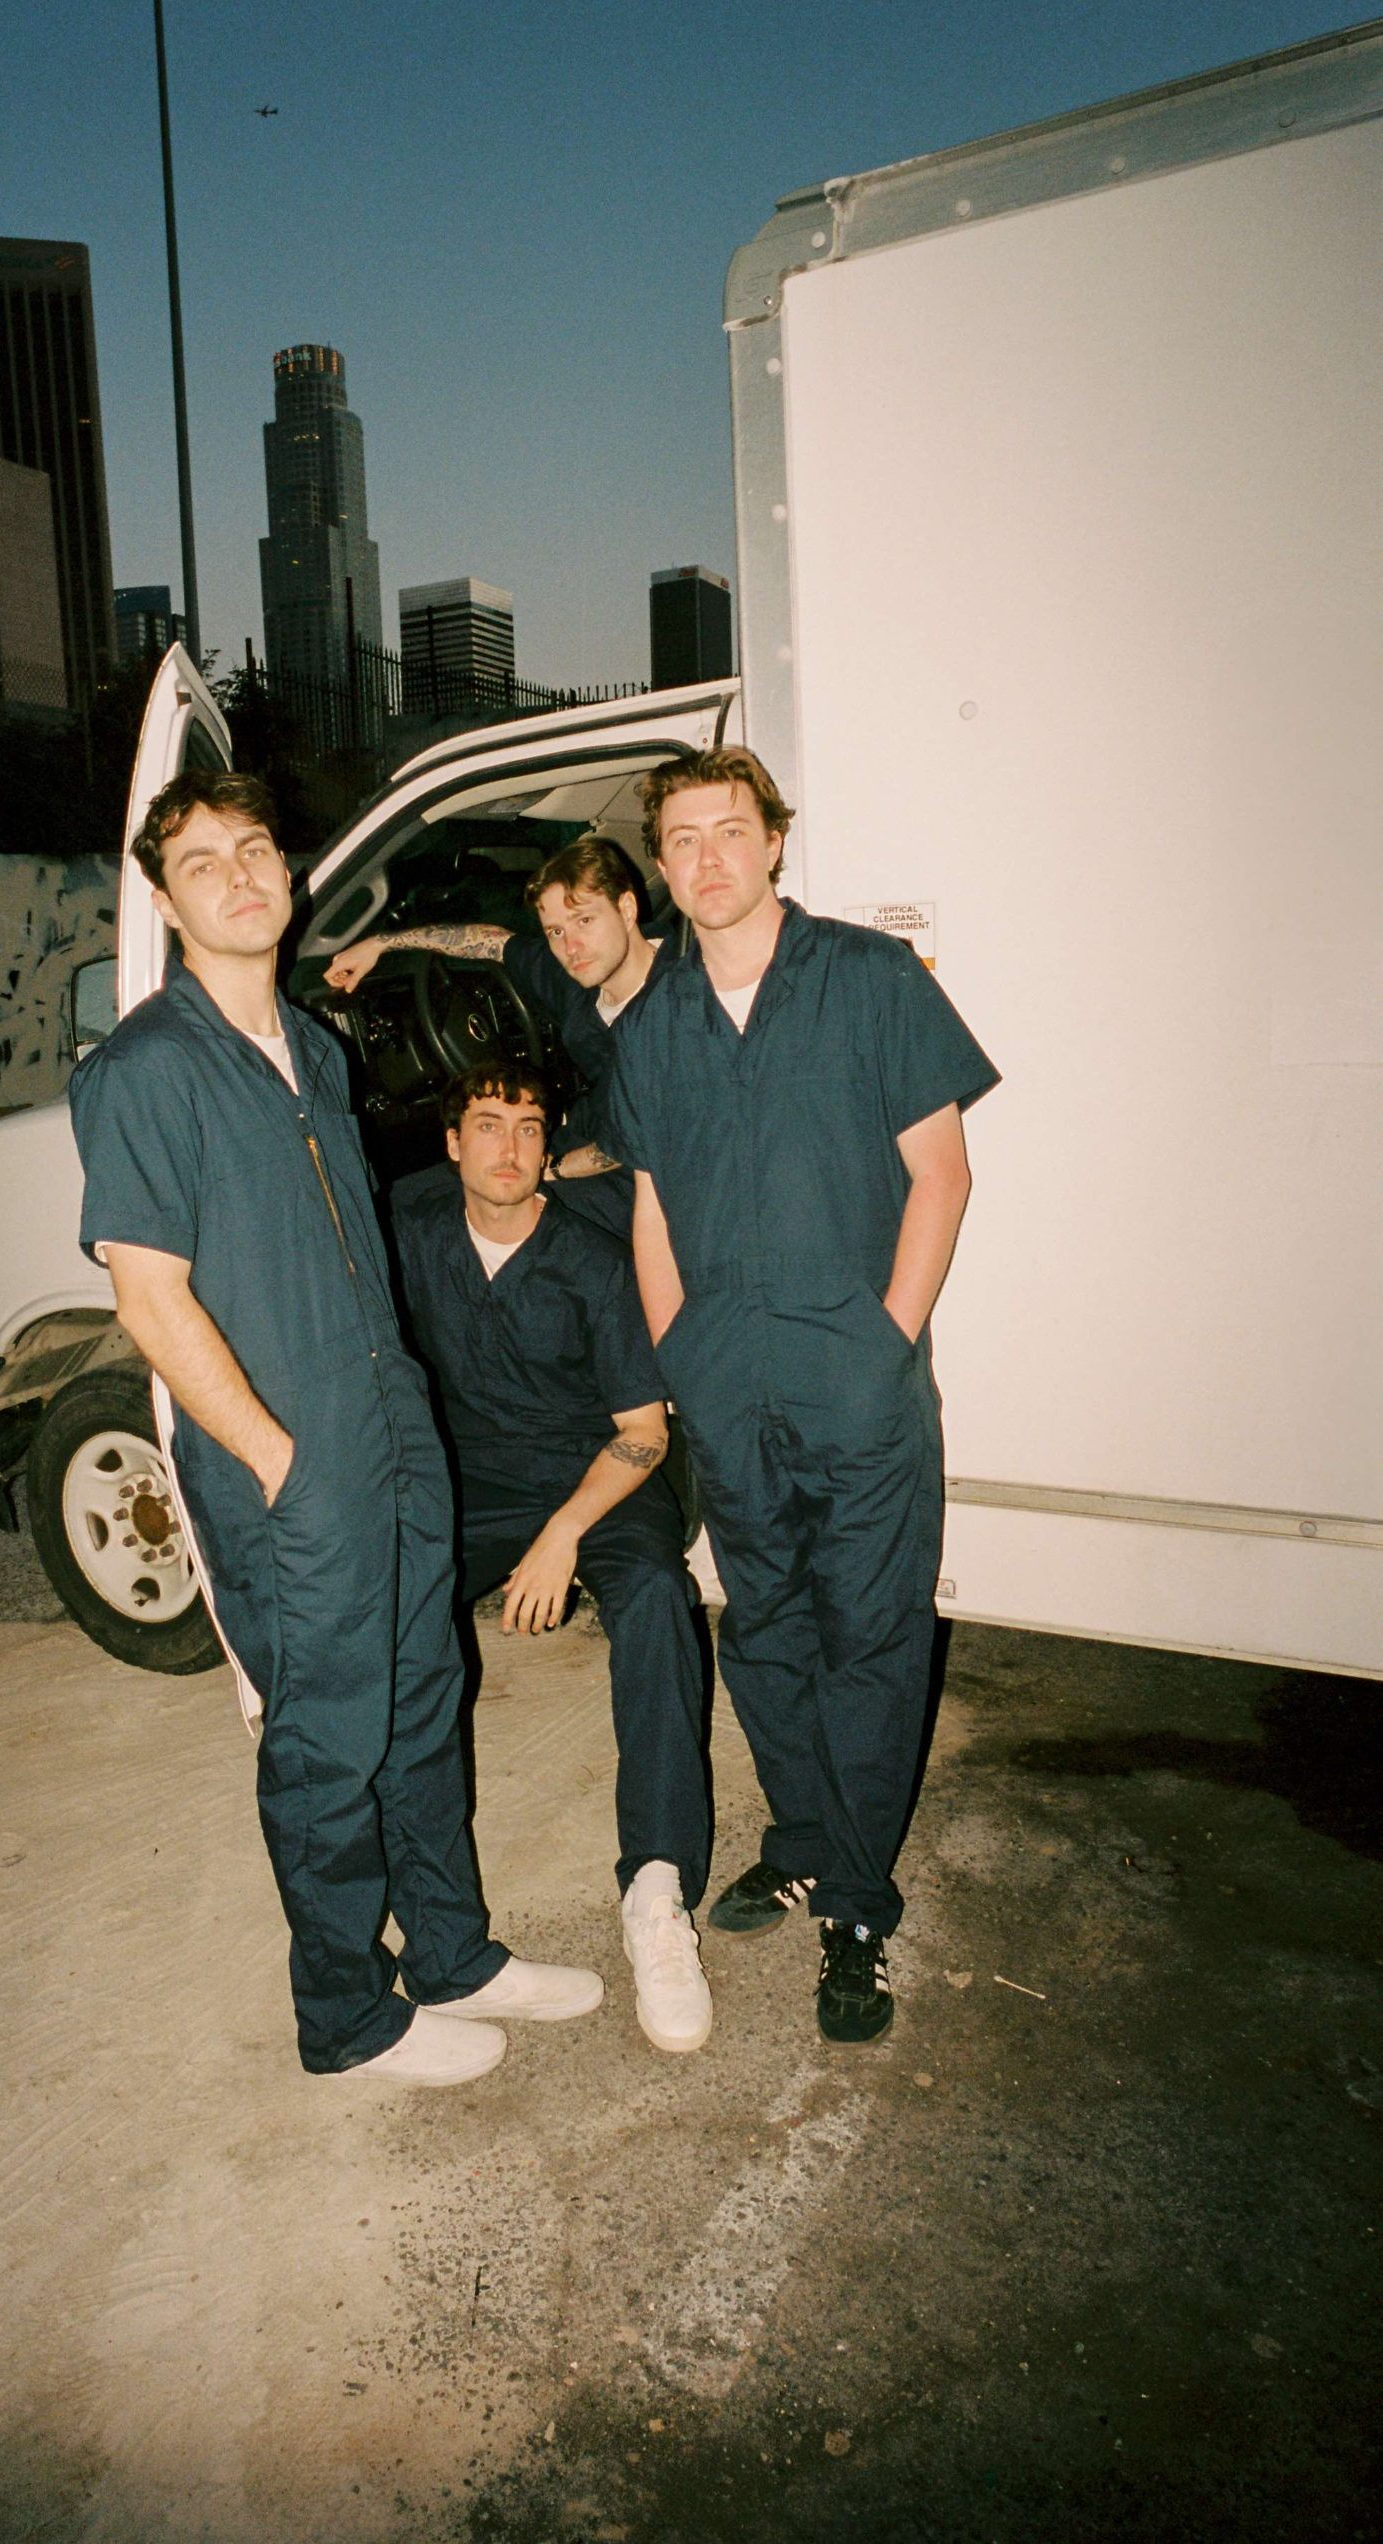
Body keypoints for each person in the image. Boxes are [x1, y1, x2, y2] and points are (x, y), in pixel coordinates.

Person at [67, 764, 603, 2089]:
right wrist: (273, 1459)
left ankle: (453, 1952)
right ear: (166, 902)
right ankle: (347, 2012)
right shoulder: (145, 1069)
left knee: (425, 1697)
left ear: (291, 874)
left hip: (392, 1428)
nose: (238, 877)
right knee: (326, 1738)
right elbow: (148, 1297)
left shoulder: (314, 1048)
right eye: (202, 863)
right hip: (290, 1458)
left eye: (255, 848)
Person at [603, 747, 1000, 2045]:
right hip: (727, 1386)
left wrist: (884, 1344)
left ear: (775, 841)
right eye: (682, 839)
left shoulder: (870, 980)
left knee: (870, 1640)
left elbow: (941, 1173)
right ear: (662, 869)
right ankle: (806, 1840)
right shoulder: (650, 1026)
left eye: (730, 830)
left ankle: (859, 1912)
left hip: (856, 1386)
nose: (708, 857)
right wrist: (681, 1356)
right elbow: (650, 1207)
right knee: (766, 1631)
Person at [390, 1056, 715, 2054]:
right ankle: (437, 1928)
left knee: (657, 1597)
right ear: (452, 1143)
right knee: (397, 1614)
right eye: (488, 1125)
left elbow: (643, 1431)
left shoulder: (590, 1258)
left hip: (597, 1475)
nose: (510, 1148)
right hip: (473, 1480)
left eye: (529, 1129)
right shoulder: (410, 1230)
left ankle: (657, 1892)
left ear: (548, 1150)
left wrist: (562, 1535)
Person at [324, 835, 675, 1232]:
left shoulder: (685, 995)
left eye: (584, 921)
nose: (571, 946)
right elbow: (493, 943)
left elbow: (631, 1141)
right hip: (583, 1134)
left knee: (446, 1225)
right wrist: (381, 944)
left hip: (644, 1174)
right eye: (555, 931)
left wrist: (549, 1169)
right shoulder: (581, 975)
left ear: (626, 909)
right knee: (406, 1199)